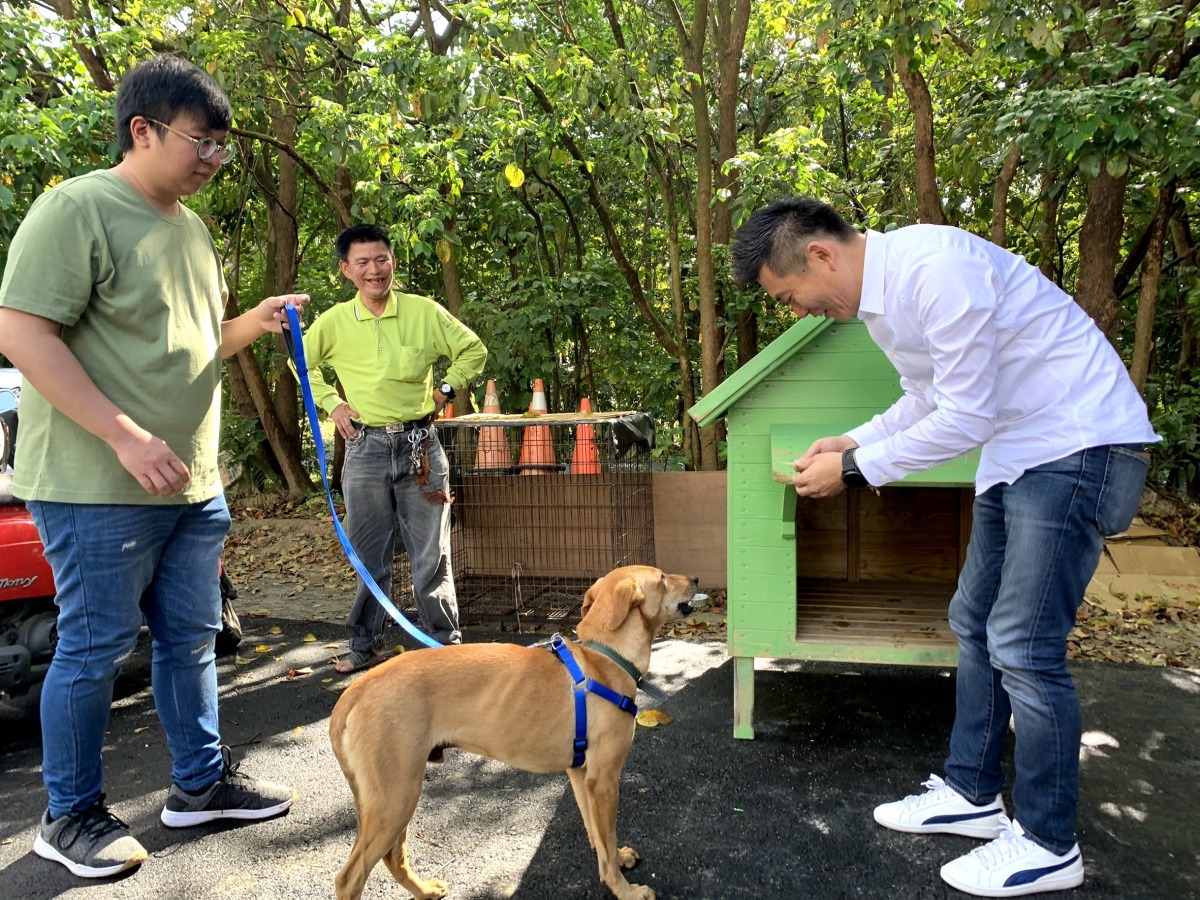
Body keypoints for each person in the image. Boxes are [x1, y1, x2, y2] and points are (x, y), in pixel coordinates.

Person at [731, 197, 1157, 898]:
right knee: (974, 621)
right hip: (1020, 456)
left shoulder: (937, 269)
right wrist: (852, 441)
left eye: (790, 297)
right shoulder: (882, 304)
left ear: (819, 255)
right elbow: (926, 399)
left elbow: (966, 414)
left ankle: (1051, 844)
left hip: (1077, 449)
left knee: (1023, 646)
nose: (798, 310)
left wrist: (855, 471)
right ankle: (973, 794)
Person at [0, 55, 307, 879]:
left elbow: (198, 342)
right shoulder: (76, 208)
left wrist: (255, 321)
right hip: (96, 485)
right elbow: (23, 335)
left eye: (222, 149)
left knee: (191, 639)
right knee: (95, 646)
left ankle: (200, 784)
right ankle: (68, 817)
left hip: (193, 484)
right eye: (200, 143)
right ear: (143, 129)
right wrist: (126, 437)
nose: (213, 160)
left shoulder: (192, 229)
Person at [299, 224, 487, 672]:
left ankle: (443, 648)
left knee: (431, 555)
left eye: (380, 259)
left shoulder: (424, 311)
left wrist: (446, 386)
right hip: (363, 448)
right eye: (362, 262)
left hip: (421, 446)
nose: (373, 270)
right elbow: (300, 363)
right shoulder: (335, 322)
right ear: (346, 270)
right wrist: (333, 404)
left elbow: (473, 351)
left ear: (393, 262)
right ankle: (365, 644)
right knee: (369, 555)